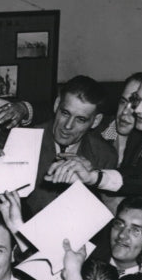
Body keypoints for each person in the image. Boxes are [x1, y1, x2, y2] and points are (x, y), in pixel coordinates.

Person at [46, 62, 142, 235]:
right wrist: (25, 109)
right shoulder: (141, 131)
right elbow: (75, 109)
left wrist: (95, 176)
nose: (137, 109)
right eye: (137, 99)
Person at [21, 75, 117, 216]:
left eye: (80, 119)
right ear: (56, 105)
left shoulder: (104, 155)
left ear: (95, 121)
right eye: (65, 113)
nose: (68, 125)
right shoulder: (27, 140)